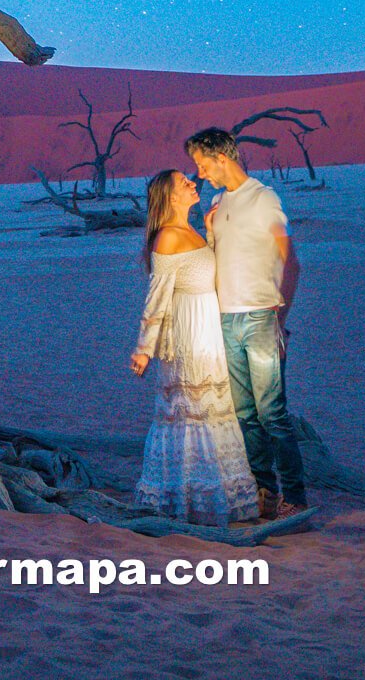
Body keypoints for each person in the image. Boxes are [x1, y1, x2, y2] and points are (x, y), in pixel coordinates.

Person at [185, 126, 307, 520]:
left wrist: (279, 318)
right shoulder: (219, 203)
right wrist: (208, 229)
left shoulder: (264, 199)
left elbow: (291, 261)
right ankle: (264, 492)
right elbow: (217, 258)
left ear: (222, 158)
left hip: (260, 317)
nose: (200, 174)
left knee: (273, 413)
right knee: (244, 414)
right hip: (226, 319)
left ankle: (295, 497)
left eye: (203, 165)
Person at [128, 168, 258, 525]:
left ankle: (219, 496)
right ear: (171, 196)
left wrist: (212, 234)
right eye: (183, 182)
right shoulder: (167, 238)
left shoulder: (192, 231)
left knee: (214, 408)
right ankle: (184, 500)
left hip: (208, 326)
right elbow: (156, 297)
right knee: (190, 410)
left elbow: (208, 273)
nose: (191, 183)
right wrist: (144, 348)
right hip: (187, 331)